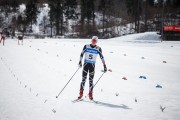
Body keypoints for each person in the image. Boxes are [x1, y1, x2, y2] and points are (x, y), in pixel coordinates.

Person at [78, 36, 107, 100]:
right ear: (91, 40)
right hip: (86, 65)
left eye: (95, 41)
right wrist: (80, 62)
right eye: (93, 40)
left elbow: (102, 57)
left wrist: (104, 66)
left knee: (91, 81)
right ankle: (81, 93)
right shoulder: (86, 46)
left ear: (97, 42)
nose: (93, 41)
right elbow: (81, 54)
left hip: (92, 66)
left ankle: (90, 94)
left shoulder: (98, 48)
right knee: (83, 80)